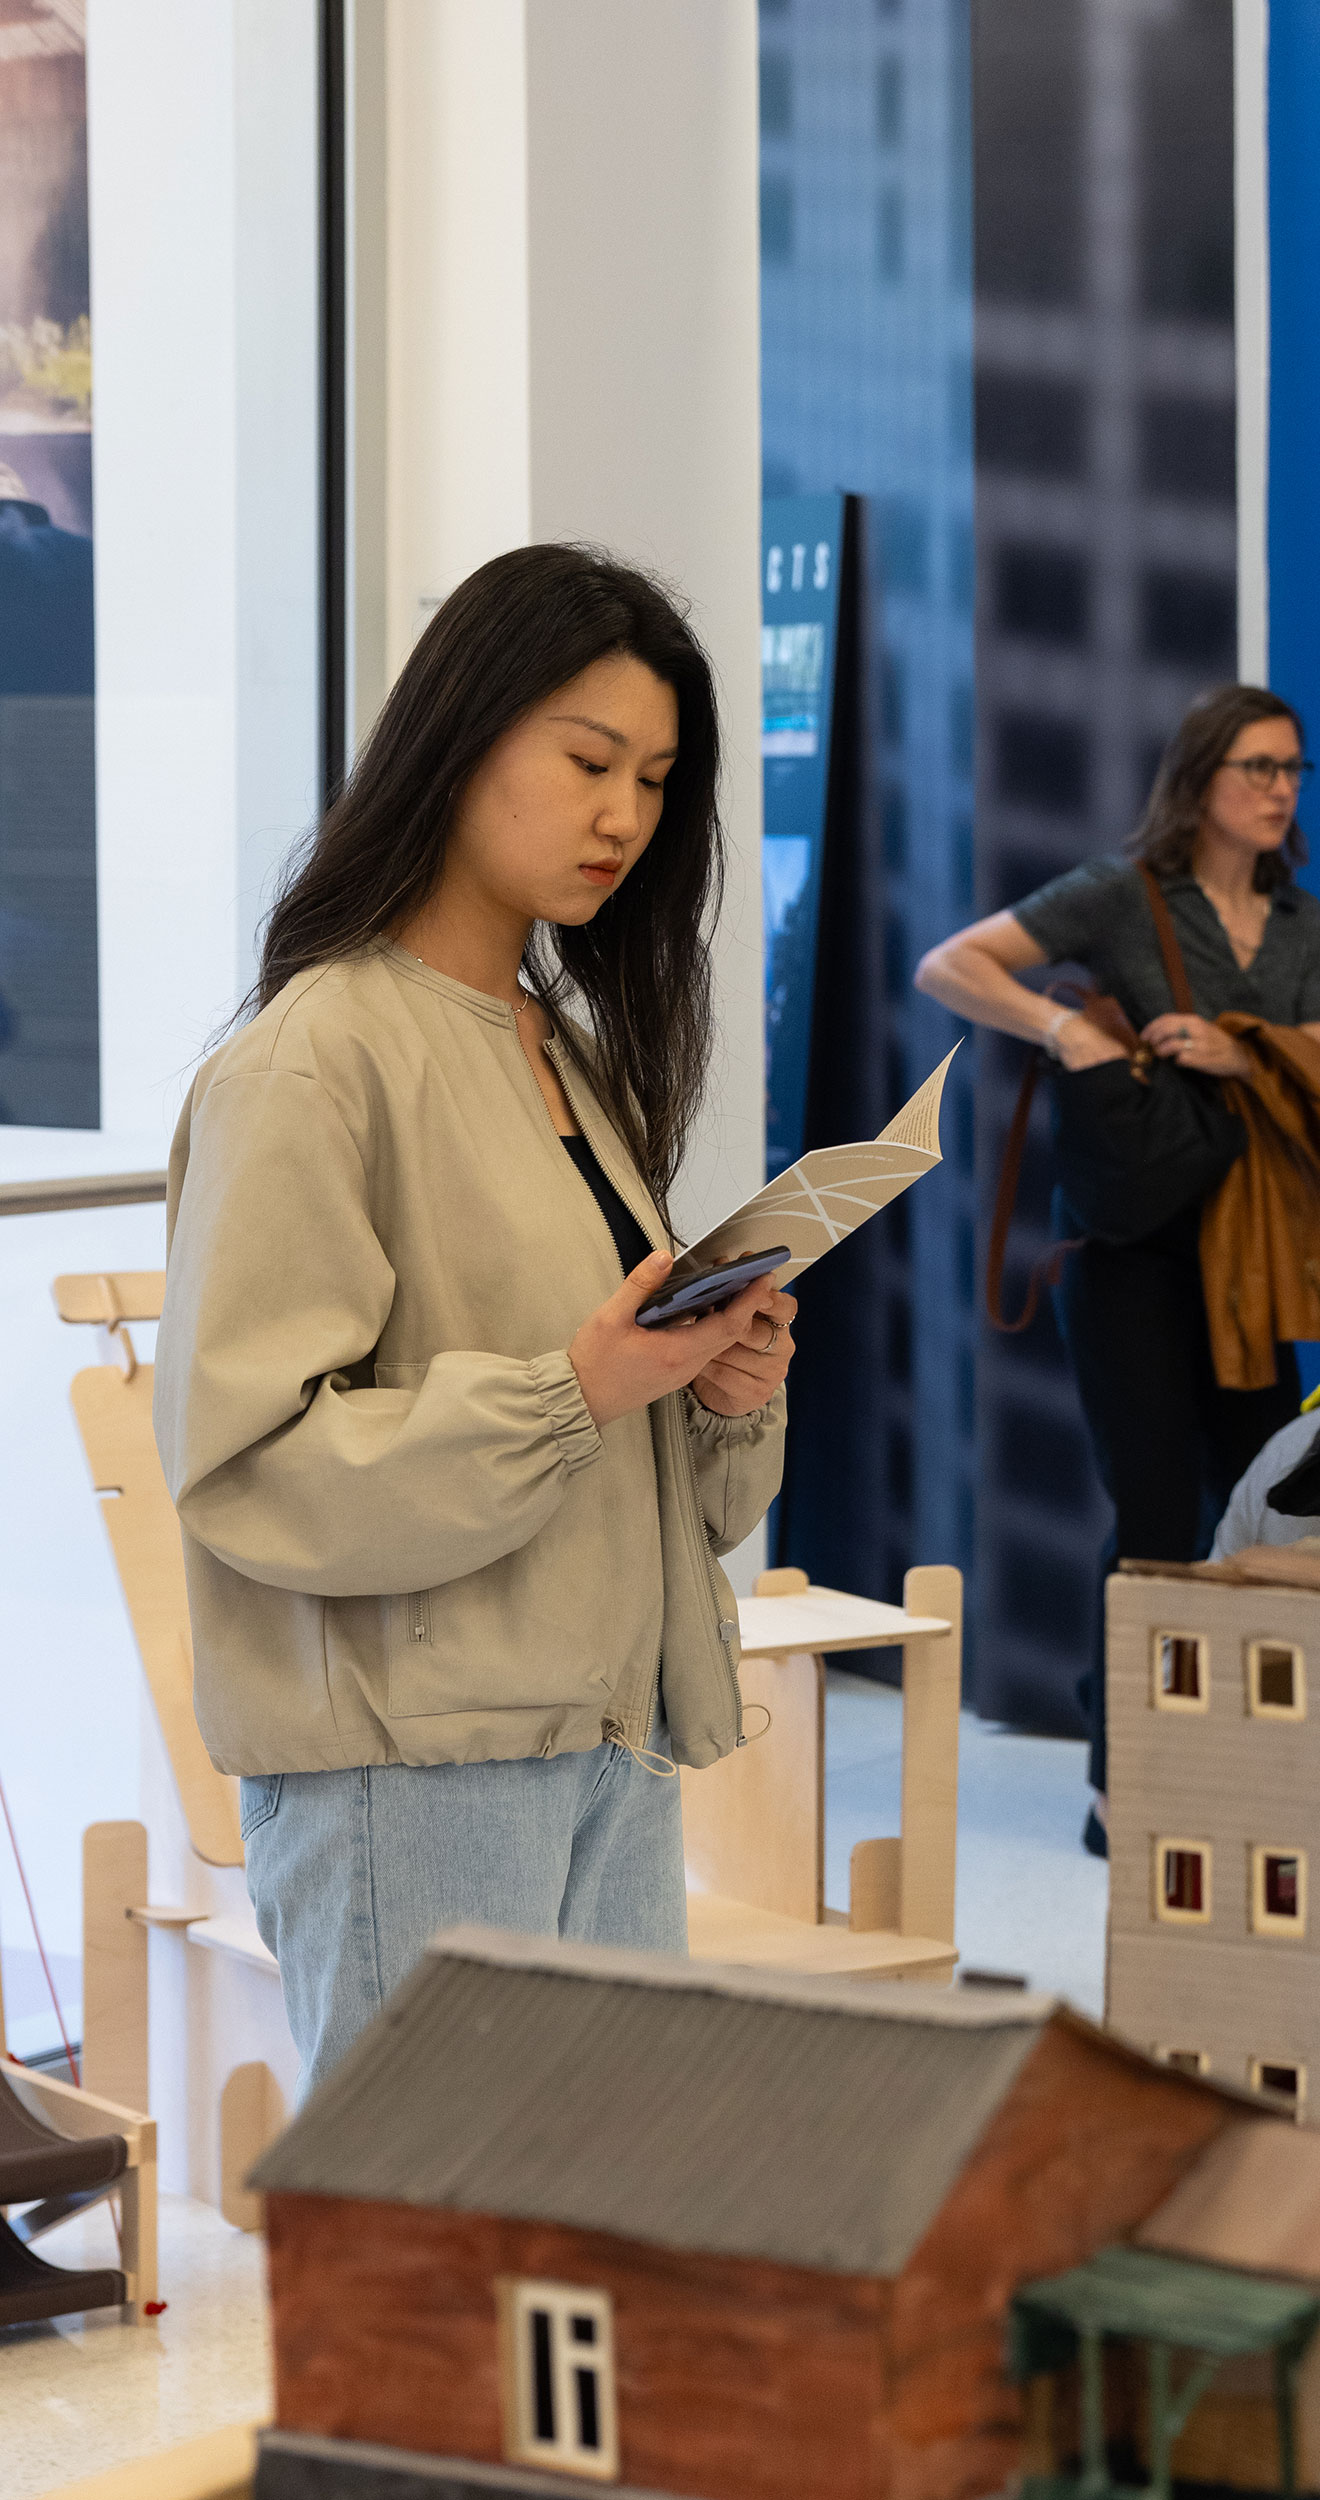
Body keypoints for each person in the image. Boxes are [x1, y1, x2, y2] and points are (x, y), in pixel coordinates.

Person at [154, 546, 795, 2087]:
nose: (624, 817)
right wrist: (574, 1389)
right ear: (462, 737)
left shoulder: (565, 1054)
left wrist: (713, 1391)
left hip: (609, 1739)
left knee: (596, 2209)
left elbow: (653, 1483)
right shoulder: (313, 1062)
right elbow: (249, 1467)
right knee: (434, 2221)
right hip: (417, 1772)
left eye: (655, 781)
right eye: (589, 761)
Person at [915, 684, 1320, 1846]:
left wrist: (1235, 1049)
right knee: (1154, 1511)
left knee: (1263, 1504)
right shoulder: (1124, 893)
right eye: (1258, 767)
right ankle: (1128, 1778)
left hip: (1251, 1254)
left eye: (1293, 769)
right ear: (1200, 777)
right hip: (1128, 1255)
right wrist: (1064, 1028)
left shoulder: (1298, 917)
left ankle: (1238, 1756)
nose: (1280, 790)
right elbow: (951, 966)